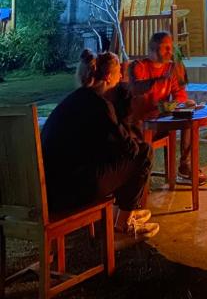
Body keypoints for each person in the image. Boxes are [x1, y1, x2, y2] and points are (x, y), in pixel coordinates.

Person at [42, 50, 160, 239]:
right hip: (71, 191)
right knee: (144, 153)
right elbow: (130, 149)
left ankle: (122, 212)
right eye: (119, 72)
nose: (122, 76)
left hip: (49, 191)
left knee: (115, 157)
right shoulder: (101, 106)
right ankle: (124, 223)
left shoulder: (74, 99)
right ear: (108, 77)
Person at [129, 31, 207, 185]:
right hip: (141, 123)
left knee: (189, 117)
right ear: (152, 49)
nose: (169, 52)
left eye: (170, 47)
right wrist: (159, 82)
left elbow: (179, 94)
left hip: (161, 119)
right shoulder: (139, 66)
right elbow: (135, 88)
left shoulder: (171, 69)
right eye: (165, 48)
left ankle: (185, 166)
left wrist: (181, 104)